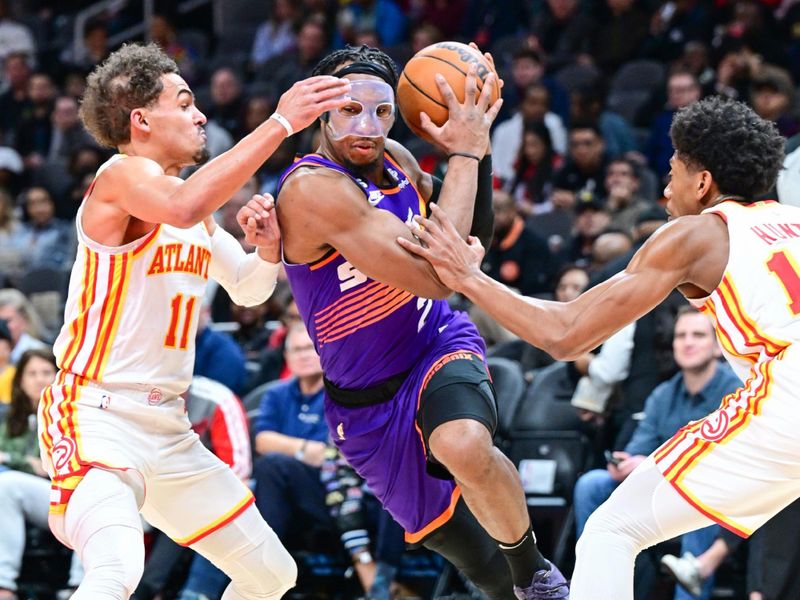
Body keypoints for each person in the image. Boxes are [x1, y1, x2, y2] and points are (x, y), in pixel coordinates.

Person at [398, 96, 793, 600]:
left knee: (611, 531)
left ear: (703, 183)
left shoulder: (697, 234)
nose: (667, 188)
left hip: (788, 401)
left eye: (673, 172)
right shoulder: (793, 221)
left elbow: (567, 335)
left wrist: (469, 278)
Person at [38, 42, 350, 600]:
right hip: (97, 412)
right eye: (183, 104)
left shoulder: (193, 211)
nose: (200, 115)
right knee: (116, 571)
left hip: (169, 428)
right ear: (141, 120)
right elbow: (181, 207)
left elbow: (251, 290)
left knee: (273, 575)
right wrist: (281, 123)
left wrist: (269, 248)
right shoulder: (121, 176)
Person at [276, 44, 568, 599]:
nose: (368, 126)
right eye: (349, 111)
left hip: (435, 340)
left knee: (463, 444)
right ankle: (513, 585)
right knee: (471, 557)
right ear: (320, 112)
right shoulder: (313, 190)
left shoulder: (397, 162)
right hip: (365, 404)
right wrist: (465, 154)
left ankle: (538, 574)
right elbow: (439, 271)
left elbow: (459, 257)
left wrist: (475, 152)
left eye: (382, 112)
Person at [573, 307, 741, 600]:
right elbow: (639, 446)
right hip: (659, 487)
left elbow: (724, 460)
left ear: (717, 347)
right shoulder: (663, 393)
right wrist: (625, 465)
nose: (688, 342)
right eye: (681, 335)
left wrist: (652, 464)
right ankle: (600, 588)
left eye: (698, 335)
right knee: (592, 484)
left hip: (712, 491)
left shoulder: (735, 390)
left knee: (699, 502)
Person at [0, 349, 83, 599]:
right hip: (23, 496)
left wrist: (13, 460)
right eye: (32, 373)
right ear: (21, 379)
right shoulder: (9, 416)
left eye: (46, 372)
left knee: (7, 483)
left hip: (63, 493)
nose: (39, 379)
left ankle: (82, 585)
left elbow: (47, 467)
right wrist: (25, 462)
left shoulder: (72, 415)